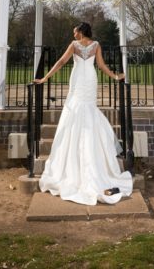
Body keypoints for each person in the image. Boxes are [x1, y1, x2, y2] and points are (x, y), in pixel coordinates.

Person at [33, 22, 133, 205]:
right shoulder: (95, 45)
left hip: (79, 77)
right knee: (87, 109)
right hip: (89, 78)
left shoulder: (74, 45)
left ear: (80, 32)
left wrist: (45, 78)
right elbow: (101, 66)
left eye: (75, 31)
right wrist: (115, 76)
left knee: (78, 108)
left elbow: (61, 61)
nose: (73, 33)